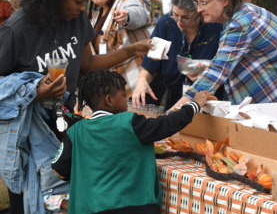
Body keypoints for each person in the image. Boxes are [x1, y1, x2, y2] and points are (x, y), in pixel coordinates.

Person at [0, 0, 153, 214]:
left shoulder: (76, 19)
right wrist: (35, 91)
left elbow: (88, 64)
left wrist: (130, 51)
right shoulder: (16, 30)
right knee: (27, 203)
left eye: (86, 2)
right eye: (79, 0)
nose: (83, 8)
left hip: (65, 128)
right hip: (26, 138)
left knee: (63, 203)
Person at [51, 69, 209, 214]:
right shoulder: (129, 123)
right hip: (133, 207)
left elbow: (59, 168)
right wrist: (194, 105)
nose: (126, 99)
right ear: (109, 100)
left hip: (87, 208)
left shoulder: (75, 132)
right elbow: (165, 124)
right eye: (123, 95)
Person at [172, 0, 277, 110]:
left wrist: (168, 118)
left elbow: (215, 74)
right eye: (197, 3)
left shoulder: (241, 23)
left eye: (203, 3)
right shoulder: (246, 13)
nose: (199, 9)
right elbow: (236, 62)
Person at [132, 0, 224, 110]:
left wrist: (208, 72)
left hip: (210, 100)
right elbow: (150, 66)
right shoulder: (166, 24)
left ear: (199, 11)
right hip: (174, 99)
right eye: (175, 15)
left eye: (187, 18)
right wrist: (142, 81)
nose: (180, 22)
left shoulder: (215, 26)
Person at [88, 0, 153, 98]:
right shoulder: (98, 10)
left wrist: (127, 18)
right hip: (113, 90)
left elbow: (138, 12)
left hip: (138, 87)